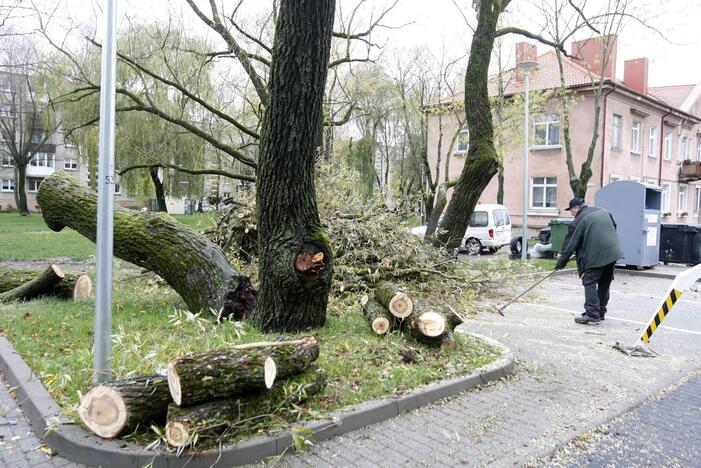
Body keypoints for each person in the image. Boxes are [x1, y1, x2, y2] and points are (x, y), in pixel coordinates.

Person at [554, 197, 624, 324]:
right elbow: (613, 227)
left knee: (589, 280)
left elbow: (569, 245)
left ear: (577, 208)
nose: (571, 214)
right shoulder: (603, 211)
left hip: (596, 255)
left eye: (571, 211)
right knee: (604, 281)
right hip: (613, 252)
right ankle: (600, 312)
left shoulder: (579, 220)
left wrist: (560, 263)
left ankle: (592, 314)